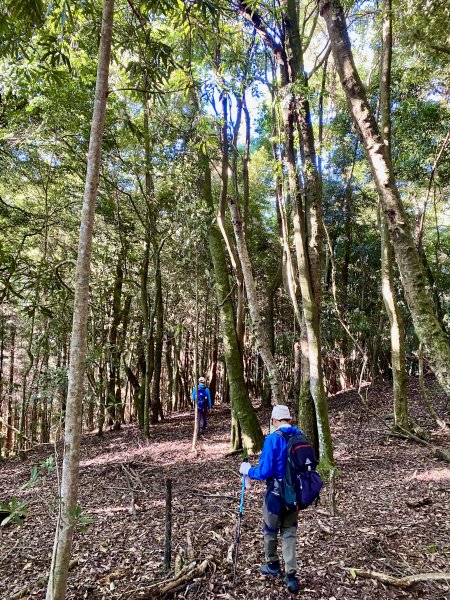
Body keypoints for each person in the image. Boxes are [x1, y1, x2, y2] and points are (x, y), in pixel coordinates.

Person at [239, 405, 301, 593]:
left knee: (270, 530)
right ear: (288, 419)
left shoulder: (273, 439)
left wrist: (248, 470)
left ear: (274, 421)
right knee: (289, 533)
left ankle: (273, 565)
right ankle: (291, 576)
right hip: (294, 496)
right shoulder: (300, 436)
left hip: (275, 495)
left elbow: (265, 471)